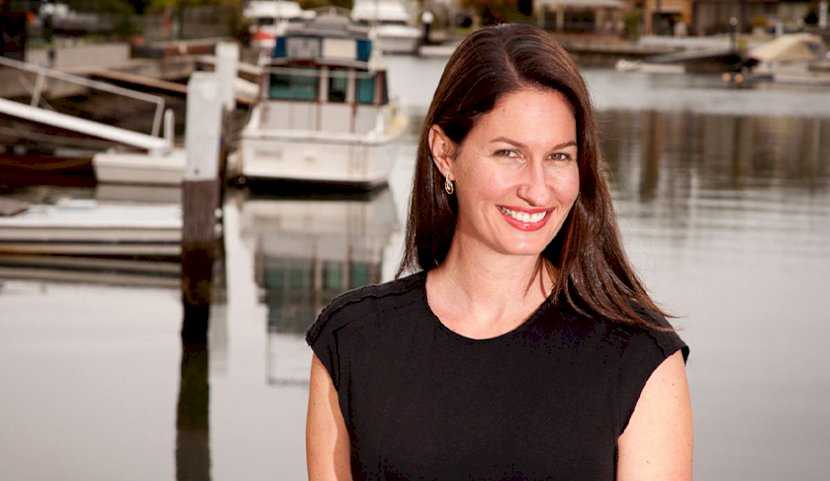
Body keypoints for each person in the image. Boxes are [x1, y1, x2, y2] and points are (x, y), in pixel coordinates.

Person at [306, 23, 692, 481]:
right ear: (445, 153)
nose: (536, 188)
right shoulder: (352, 341)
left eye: (559, 156)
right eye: (509, 153)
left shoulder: (640, 357)